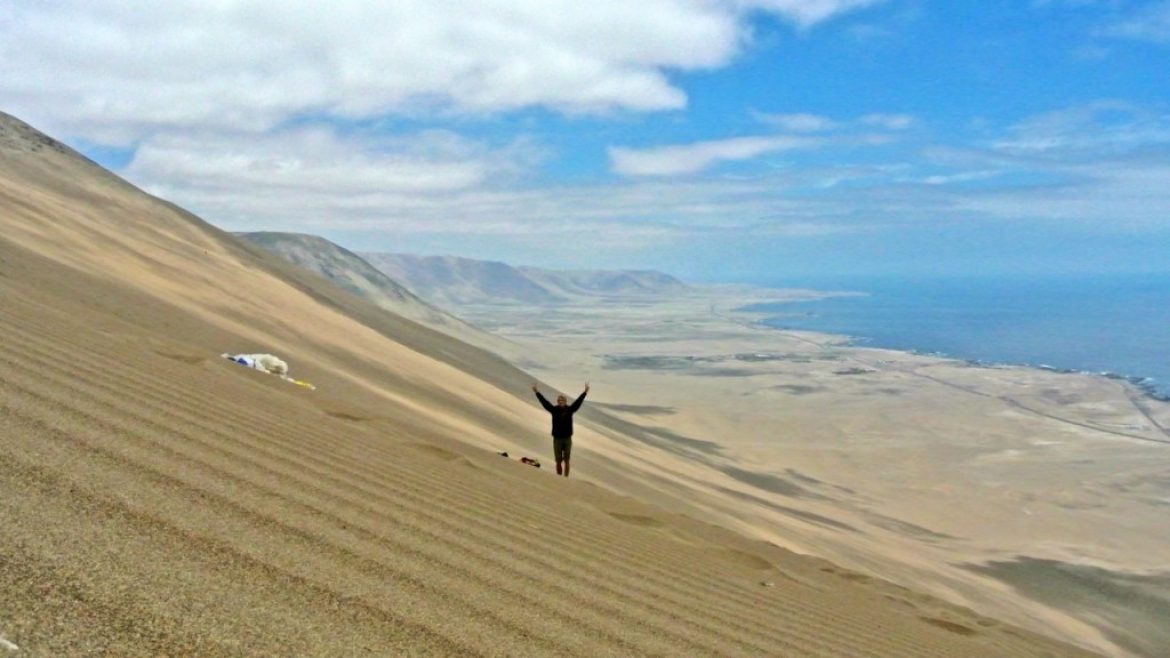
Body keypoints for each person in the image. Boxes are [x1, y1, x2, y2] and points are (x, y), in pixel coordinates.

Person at [532, 383, 589, 477]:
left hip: (567, 438)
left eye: (562, 400)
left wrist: (585, 392)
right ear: (557, 401)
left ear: (565, 401)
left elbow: (578, 402)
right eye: (559, 400)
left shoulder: (570, 409)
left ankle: (566, 478)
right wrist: (537, 392)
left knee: (567, 460)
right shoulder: (554, 409)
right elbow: (544, 402)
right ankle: (559, 478)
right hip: (557, 439)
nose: (560, 401)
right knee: (558, 461)